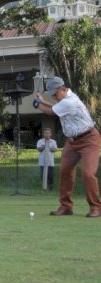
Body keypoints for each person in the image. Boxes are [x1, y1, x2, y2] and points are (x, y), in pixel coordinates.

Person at [34, 76, 100, 217]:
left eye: (55, 93)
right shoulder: (64, 99)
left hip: (89, 139)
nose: (53, 96)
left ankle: (96, 207)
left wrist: (37, 104)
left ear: (63, 89)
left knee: (88, 173)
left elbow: (51, 111)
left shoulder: (70, 102)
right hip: (72, 141)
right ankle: (66, 207)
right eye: (51, 94)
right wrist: (42, 101)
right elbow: (54, 107)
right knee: (65, 170)